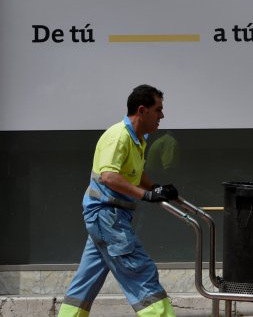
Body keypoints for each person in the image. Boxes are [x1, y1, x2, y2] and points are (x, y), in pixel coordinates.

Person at [59, 84, 179, 317]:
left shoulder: (138, 139)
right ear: (142, 110)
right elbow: (109, 176)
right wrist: (146, 195)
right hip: (107, 215)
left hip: (110, 216)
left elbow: (134, 172)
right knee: (141, 272)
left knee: (85, 282)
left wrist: (156, 188)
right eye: (158, 110)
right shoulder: (118, 136)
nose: (162, 116)